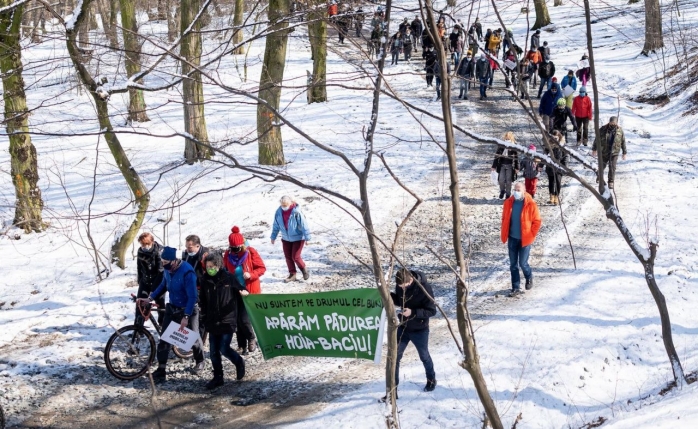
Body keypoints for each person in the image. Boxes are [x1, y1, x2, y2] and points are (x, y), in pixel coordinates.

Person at [141, 246, 204, 382]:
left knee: (192, 337)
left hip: (188, 308)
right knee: (164, 339)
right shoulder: (168, 270)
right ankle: (161, 370)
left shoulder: (187, 272)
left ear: (175, 261)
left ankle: (200, 360)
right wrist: (151, 298)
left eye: (166, 262)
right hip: (173, 307)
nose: (163, 265)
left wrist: (186, 316)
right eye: (162, 262)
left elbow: (192, 296)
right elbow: (163, 285)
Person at [199, 253, 247, 389]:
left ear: (219, 265)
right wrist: (203, 314)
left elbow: (242, 290)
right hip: (212, 320)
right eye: (207, 266)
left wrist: (243, 292)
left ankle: (238, 361)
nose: (209, 269)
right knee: (214, 351)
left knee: (224, 348)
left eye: (212, 266)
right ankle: (218, 377)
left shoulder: (229, 278)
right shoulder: (205, 280)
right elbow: (202, 299)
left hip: (227, 319)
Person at [389, 268, 437, 397]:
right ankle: (393, 390)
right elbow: (400, 301)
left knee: (424, 356)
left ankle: (431, 380)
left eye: (404, 286)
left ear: (410, 280)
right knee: (395, 357)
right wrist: (389, 296)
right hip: (403, 326)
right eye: (400, 287)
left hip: (420, 329)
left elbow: (432, 311)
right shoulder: (401, 284)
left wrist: (413, 312)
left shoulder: (424, 288)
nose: (402, 289)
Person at [224, 226, 266, 354]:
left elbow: (262, 268)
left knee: (244, 319)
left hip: (249, 291)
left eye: (237, 249)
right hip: (235, 291)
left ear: (241, 245)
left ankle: (251, 338)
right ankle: (241, 345)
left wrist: (251, 274)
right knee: (236, 319)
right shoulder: (227, 255)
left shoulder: (251, 252)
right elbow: (225, 270)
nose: (234, 252)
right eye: (232, 249)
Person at [500, 182, 542, 297]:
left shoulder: (531, 204)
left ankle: (529, 277)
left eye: (518, 189)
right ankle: (515, 287)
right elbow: (504, 219)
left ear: (524, 190)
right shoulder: (508, 203)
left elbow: (537, 221)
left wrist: (531, 234)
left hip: (525, 239)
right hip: (512, 238)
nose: (516, 191)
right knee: (513, 265)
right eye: (515, 189)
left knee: (523, 263)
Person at [270, 196, 311, 281]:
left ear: (291, 203)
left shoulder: (296, 212)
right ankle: (292, 274)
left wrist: (307, 238)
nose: (284, 207)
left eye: (286, 205)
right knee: (288, 257)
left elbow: (304, 225)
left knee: (295, 256)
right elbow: (276, 225)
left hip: (298, 238)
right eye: (282, 205)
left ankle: (304, 270)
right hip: (286, 238)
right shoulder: (278, 212)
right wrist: (273, 237)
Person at [135, 232, 165, 325]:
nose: (144, 246)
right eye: (142, 244)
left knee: (160, 303)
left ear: (152, 242)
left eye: (147, 244)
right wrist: (140, 281)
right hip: (145, 280)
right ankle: (138, 328)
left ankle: (162, 325)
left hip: (158, 281)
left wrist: (153, 290)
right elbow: (139, 267)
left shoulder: (159, 251)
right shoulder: (140, 251)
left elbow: (161, 271)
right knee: (140, 303)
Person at [592, 117, 627, 190]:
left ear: (616, 122)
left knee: (612, 167)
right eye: (611, 122)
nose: (613, 124)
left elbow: (623, 142)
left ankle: (611, 181)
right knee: (602, 166)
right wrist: (594, 149)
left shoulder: (620, 131)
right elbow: (597, 139)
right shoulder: (603, 129)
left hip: (614, 152)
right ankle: (600, 177)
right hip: (604, 151)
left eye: (614, 123)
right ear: (609, 122)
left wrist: (624, 152)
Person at [491, 131, 520, 199]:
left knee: (508, 180)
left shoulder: (513, 146)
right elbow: (497, 156)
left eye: (509, 137)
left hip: (510, 165)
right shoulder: (501, 145)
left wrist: (517, 167)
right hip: (502, 165)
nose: (507, 138)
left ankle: (508, 193)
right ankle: (502, 190)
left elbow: (516, 158)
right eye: (506, 137)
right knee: (501, 179)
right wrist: (494, 166)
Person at [544, 130, 568, 205]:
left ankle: (556, 196)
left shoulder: (562, 145)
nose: (555, 139)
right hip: (550, 166)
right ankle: (551, 196)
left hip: (559, 166)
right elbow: (544, 156)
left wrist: (565, 166)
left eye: (556, 137)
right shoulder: (548, 145)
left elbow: (565, 156)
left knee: (558, 182)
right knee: (551, 182)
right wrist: (540, 165)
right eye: (553, 137)